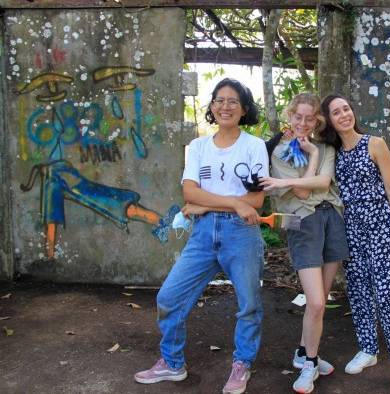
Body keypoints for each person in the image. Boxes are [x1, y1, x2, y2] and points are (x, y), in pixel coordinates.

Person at [134, 78, 268, 394]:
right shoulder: (198, 147)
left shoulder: (254, 146)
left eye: (233, 101)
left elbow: (257, 201)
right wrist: (234, 201)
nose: (225, 106)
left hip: (242, 234)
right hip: (203, 233)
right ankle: (172, 363)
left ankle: (241, 364)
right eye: (219, 100)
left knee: (248, 304)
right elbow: (188, 190)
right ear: (211, 107)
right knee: (169, 297)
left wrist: (202, 202)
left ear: (244, 108)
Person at [319, 94, 390, 394]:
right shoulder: (332, 153)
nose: (344, 115)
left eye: (347, 109)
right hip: (351, 231)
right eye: (337, 112)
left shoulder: (374, 143)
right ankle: (368, 349)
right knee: (359, 293)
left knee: (388, 295)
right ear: (329, 120)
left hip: (381, 229)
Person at [259, 92, 349, 394]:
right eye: (298, 116)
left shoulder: (326, 147)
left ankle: (303, 353)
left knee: (320, 302)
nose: (303, 122)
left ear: (317, 120)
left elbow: (323, 184)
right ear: (290, 115)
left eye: (309, 117)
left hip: (332, 219)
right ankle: (310, 362)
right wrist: (310, 158)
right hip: (303, 222)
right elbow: (300, 195)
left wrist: (311, 158)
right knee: (316, 301)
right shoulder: (279, 151)